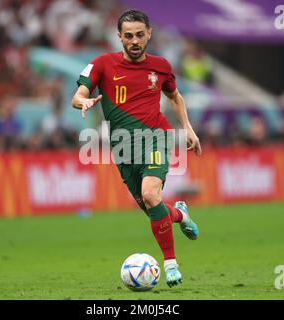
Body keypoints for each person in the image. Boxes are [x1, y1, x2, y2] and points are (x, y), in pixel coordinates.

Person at [71, 10, 202, 287]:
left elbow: (174, 96)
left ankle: (170, 265)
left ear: (149, 34)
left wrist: (187, 127)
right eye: (128, 35)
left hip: (156, 136)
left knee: (150, 194)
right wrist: (82, 101)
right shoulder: (102, 64)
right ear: (119, 36)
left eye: (140, 35)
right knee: (152, 207)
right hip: (123, 148)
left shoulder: (161, 66)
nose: (134, 41)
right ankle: (180, 214)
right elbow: (79, 94)